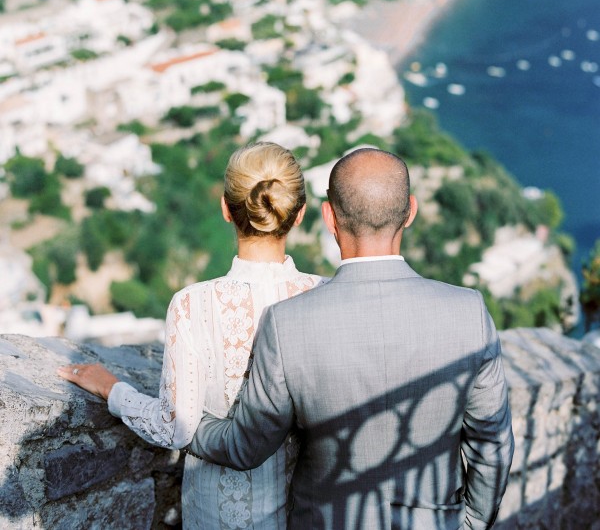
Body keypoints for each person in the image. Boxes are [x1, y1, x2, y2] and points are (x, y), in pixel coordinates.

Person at [190, 147, 514, 530]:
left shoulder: (287, 323)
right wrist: (472, 524)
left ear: (329, 217)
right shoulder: (469, 312)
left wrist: (178, 424)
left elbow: (246, 446)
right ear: (409, 211)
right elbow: (492, 445)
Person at [58, 141, 324, 529]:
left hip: (219, 510)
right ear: (299, 214)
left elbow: (174, 426)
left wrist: (112, 390)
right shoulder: (324, 294)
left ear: (225, 209)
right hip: (308, 511)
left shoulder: (193, 304)